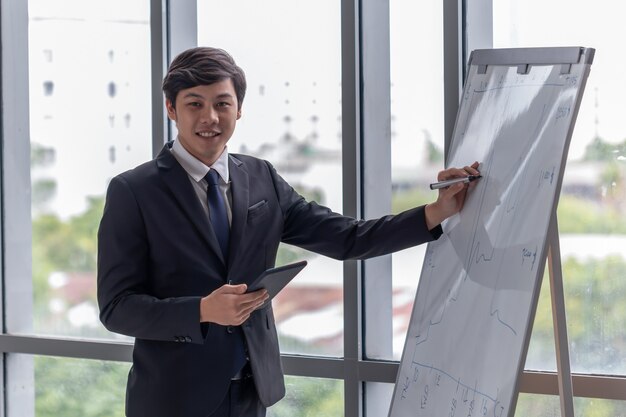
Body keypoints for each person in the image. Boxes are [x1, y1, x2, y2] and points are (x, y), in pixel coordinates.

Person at [97, 46, 480, 417]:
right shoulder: (134, 191)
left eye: (222, 103)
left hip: (252, 391)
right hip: (172, 399)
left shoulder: (261, 177)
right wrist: (201, 310)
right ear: (171, 109)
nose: (210, 117)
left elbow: (348, 238)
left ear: (239, 109)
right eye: (194, 104)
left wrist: (436, 211)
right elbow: (117, 308)